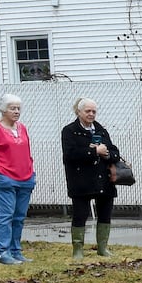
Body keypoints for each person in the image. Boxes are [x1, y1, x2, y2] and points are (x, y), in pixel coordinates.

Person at [0, 93, 37, 265]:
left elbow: (26, 151)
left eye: (18, 108)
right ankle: (2, 252)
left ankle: (15, 250)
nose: (16, 111)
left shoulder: (23, 128)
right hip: (6, 178)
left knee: (19, 216)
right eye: (12, 108)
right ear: (4, 110)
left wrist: (30, 169)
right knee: (6, 215)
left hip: (26, 177)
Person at [61, 97, 120, 260]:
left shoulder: (101, 130)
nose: (91, 114)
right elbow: (69, 155)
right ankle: (78, 250)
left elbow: (115, 151)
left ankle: (103, 247)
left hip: (103, 179)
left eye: (94, 111)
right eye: (88, 111)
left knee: (105, 214)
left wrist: (107, 153)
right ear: (79, 112)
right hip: (81, 181)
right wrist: (93, 152)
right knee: (80, 214)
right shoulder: (69, 131)